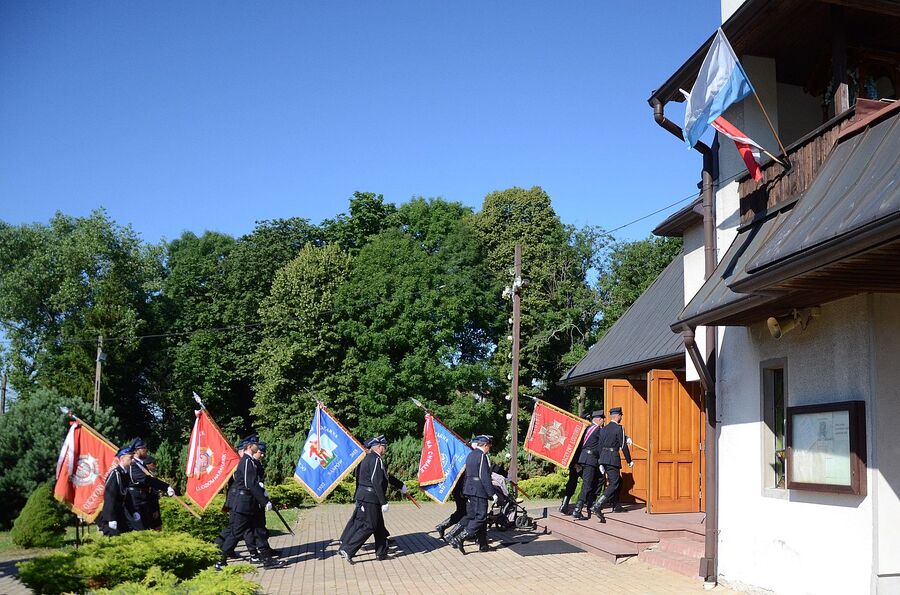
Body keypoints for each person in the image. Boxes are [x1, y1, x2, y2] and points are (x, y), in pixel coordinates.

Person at [339, 435, 407, 563]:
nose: (385, 450)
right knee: (370, 525)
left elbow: (385, 476)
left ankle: (381, 553)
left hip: (365, 496)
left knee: (379, 526)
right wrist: (383, 501)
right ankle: (348, 549)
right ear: (379, 447)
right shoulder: (376, 459)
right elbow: (376, 481)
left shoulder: (368, 458)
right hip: (370, 497)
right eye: (384, 447)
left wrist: (400, 485)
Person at [216, 434, 276, 570]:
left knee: (258, 530)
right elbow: (251, 484)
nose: (257, 445)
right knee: (236, 533)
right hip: (243, 504)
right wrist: (264, 500)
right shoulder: (247, 461)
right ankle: (220, 560)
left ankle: (267, 560)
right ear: (249, 446)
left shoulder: (250, 461)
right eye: (255, 443)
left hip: (249, 504)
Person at [450, 434, 498, 555]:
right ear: (485, 445)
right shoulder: (482, 456)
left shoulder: (471, 454)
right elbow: (484, 476)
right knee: (481, 516)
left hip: (470, 489)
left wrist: (464, 490)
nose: (489, 448)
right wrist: (492, 493)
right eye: (489, 446)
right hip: (479, 490)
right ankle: (461, 537)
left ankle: (483, 544)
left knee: (477, 516)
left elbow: (467, 474)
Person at [592, 406, 633, 519]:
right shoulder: (619, 428)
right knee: (614, 483)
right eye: (620, 416)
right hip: (612, 458)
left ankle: (616, 505)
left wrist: (600, 461)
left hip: (604, 458)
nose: (621, 418)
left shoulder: (603, 429)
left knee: (618, 481)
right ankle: (598, 504)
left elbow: (599, 445)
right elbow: (623, 445)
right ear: (617, 416)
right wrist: (629, 460)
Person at [127, 438, 176, 531]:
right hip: (136, 501)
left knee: (150, 528)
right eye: (143, 448)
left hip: (145, 500)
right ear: (136, 450)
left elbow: (150, 483)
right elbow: (147, 480)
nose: (146, 450)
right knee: (140, 530)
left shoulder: (141, 464)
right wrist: (166, 487)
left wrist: (154, 508)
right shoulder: (133, 465)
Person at [246, 441, 281, 561]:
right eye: (261, 452)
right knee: (248, 530)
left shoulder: (255, 463)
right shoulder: (249, 463)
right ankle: (255, 553)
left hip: (258, 500)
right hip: (252, 501)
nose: (262, 455)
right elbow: (252, 484)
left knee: (261, 526)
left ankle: (265, 550)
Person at [559, 412, 598, 514]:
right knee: (589, 482)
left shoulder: (575, 431)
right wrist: (576, 463)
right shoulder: (583, 432)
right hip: (579, 461)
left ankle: (564, 503)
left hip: (574, 461)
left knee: (572, 482)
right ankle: (587, 504)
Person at [571, 411, 605, 521]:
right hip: (591, 460)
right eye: (602, 419)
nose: (603, 422)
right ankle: (578, 508)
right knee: (587, 484)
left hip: (582, 459)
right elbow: (600, 447)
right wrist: (601, 462)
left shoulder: (586, 429)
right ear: (599, 419)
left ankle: (591, 502)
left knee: (599, 479)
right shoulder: (598, 430)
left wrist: (576, 461)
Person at [99, 445, 139, 536]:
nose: (133, 460)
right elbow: (109, 496)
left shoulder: (125, 474)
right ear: (122, 458)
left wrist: (133, 511)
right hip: (112, 514)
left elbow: (126, 495)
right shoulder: (115, 474)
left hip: (121, 512)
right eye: (130, 457)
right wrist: (110, 518)